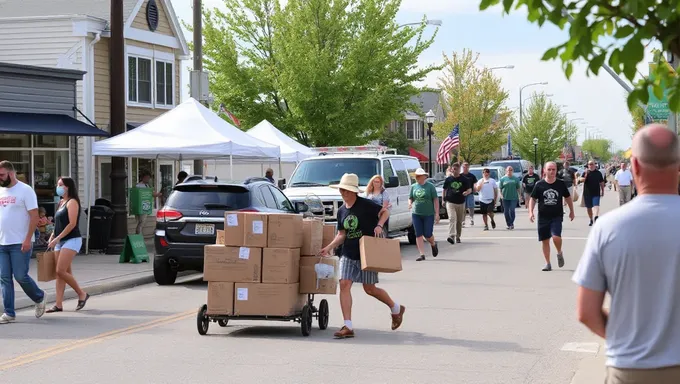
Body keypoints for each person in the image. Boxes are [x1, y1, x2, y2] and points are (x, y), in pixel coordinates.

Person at [572, 124, 680, 383]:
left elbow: (586, 311)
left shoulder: (608, 228)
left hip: (631, 367)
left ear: (635, 167)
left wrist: (627, 337)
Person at [320, 173, 404, 339]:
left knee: (369, 289)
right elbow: (342, 234)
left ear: (354, 192)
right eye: (342, 190)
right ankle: (348, 326)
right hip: (348, 252)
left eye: (346, 190)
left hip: (367, 252)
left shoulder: (367, 204)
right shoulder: (342, 211)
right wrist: (329, 247)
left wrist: (380, 225)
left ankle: (396, 308)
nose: (343, 193)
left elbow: (385, 212)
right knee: (344, 284)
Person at [0, 160, 46, 323]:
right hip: (2, 243)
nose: (0, 178)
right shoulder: (1, 191)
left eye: (2, 175)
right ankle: (9, 313)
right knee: (4, 278)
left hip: (20, 242)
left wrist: (27, 239)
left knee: (20, 276)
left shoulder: (25, 190)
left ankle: (39, 297)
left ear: (11, 173)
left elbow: (34, 216)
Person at [45, 177, 89, 313]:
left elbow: (72, 224)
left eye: (61, 185)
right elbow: (58, 224)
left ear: (68, 186)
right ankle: (58, 304)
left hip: (72, 239)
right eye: (58, 184)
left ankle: (82, 293)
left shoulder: (72, 202)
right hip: (60, 240)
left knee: (60, 271)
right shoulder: (61, 202)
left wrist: (57, 238)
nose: (58, 187)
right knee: (61, 274)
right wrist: (52, 236)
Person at [529, 162, 575, 272]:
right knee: (545, 241)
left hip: (556, 216)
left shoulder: (560, 184)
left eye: (553, 169)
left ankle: (559, 252)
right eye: (549, 169)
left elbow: (568, 197)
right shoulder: (539, 184)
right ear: (544, 171)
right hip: (543, 216)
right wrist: (530, 212)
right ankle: (548, 263)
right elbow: (533, 199)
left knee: (556, 237)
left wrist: (572, 211)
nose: (551, 171)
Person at [409, 168, 439, 261]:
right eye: (416, 176)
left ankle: (433, 244)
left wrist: (437, 213)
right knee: (418, 234)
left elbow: (435, 199)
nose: (417, 177)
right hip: (416, 213)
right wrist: (410, 203)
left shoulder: (430, 186)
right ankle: (422, 254)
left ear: (424, 176)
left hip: (428, 214)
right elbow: (410, 197)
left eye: (419, 176)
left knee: (427, 234)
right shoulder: (414, 186)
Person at [442, 162, 471, 244]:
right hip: (450, 202)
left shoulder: (464, 179)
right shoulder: (448, 179)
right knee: (452, 218)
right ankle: (451, 235)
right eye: (453, 169)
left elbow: (470, 189)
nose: (454, 170)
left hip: (461, 202)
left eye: (455, 169)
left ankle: (458, 236)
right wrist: (444, 200)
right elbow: (444, 189)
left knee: (459, 221)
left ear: (459, 170)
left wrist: (467, 192)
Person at [135, 170, 162, 235]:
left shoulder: (147, 186)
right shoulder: (138, 186)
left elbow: (151, 194)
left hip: (146, 206)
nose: (148, 179)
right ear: (142, 177)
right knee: (141, 221)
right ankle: (138, 235)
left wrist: (157, 194)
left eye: (148, 178)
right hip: (140, 206)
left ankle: (139, 234)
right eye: (146, 178)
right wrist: (156, 194)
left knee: (142, 221)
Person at [580, 161, 605, 226]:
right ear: (588, 165)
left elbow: (601, 182)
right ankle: (591, 219)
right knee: (589, 208)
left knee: (596, 205)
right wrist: (585, 177)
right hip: (587, 193)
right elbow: (581, 179)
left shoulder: (598, 173)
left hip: (596, 192)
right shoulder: (585, 172)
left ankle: (596, 216)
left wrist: (602, 190)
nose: (590, 165)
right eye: (589, 164)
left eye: (592, 164)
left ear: (595, 165)